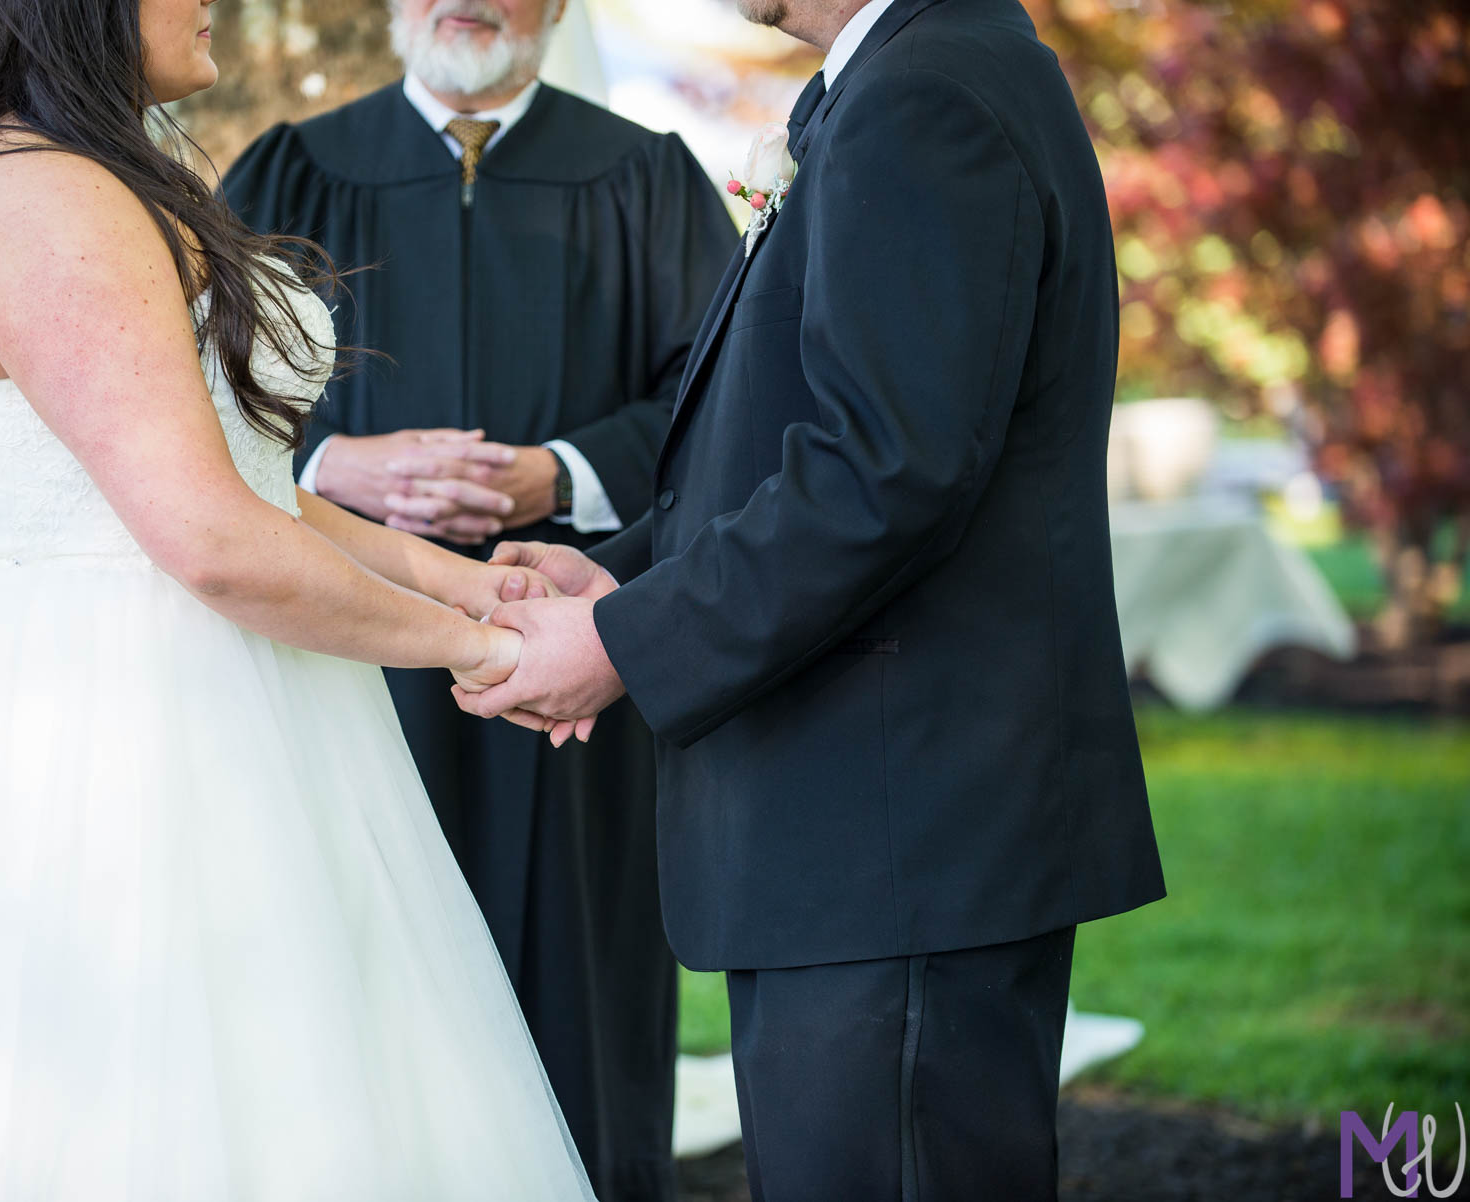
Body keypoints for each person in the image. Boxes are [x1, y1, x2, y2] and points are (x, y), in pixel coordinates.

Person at [0, 0, 601, 1196]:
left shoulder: (71, 180)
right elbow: (209, 539)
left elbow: (245, 486)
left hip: (208, 686)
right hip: (102, 733)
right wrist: (483, 650)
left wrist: (480, 581)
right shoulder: (52, 204)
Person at [459, 0, 1169, 1198]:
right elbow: (826, 441)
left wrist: (624, 642)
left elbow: (885, 472)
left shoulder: (925, 96)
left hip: (891, 836)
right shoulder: (906, 79)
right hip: (878, 834)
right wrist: (626, 571)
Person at [221, 3, 735, 1196]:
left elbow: (726, 403)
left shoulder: (646, 180)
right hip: (337, 641)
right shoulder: (292, 171)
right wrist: (327, 462)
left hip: (564, 648)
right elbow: (190, 394)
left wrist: (557, 472)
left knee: (575, 982)